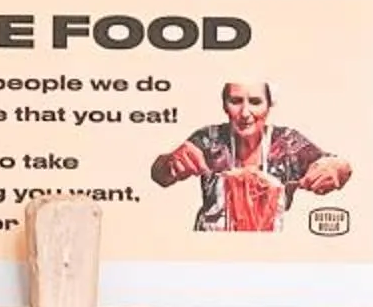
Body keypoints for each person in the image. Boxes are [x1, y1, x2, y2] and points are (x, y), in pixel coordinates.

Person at [150, 80, 353, 233]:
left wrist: (336, 167)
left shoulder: (286, 142)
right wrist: (170, 163)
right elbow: (160, 176)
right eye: (236, 101)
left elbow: (335, 164)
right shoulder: (208, 139)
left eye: (255, 102)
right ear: (224, 106)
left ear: (268, 106)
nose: (245, 113)